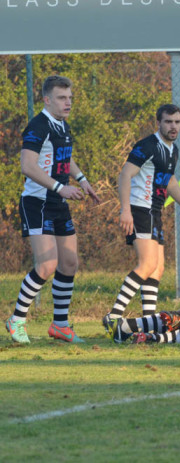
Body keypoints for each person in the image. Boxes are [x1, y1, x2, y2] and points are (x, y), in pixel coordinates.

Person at [6, 75, 100, 344]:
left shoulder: (62, 126)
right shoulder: (38, 125)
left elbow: (64, 157)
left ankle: (60, 326)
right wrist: (61, 188)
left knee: (69, 263)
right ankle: (17, 320)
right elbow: (28, 166)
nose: (67, 102)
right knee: (47, 265)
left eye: (70, 97)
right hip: (38, 204)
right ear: (47, 100)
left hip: (58, 203)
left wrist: (83, 181)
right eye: (61, 98)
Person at [102, 104, 180, 328]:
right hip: (140, 209)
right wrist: (125, 210)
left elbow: (170, 181)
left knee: (158, 268)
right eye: (168, 121)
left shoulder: (173, 150)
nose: (173, 126)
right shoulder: (147, 146)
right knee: (147, 264)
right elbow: (125, 175)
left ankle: (148, 322)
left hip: (155, 211)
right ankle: (114, 316)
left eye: (177, 122)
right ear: (158, 122)